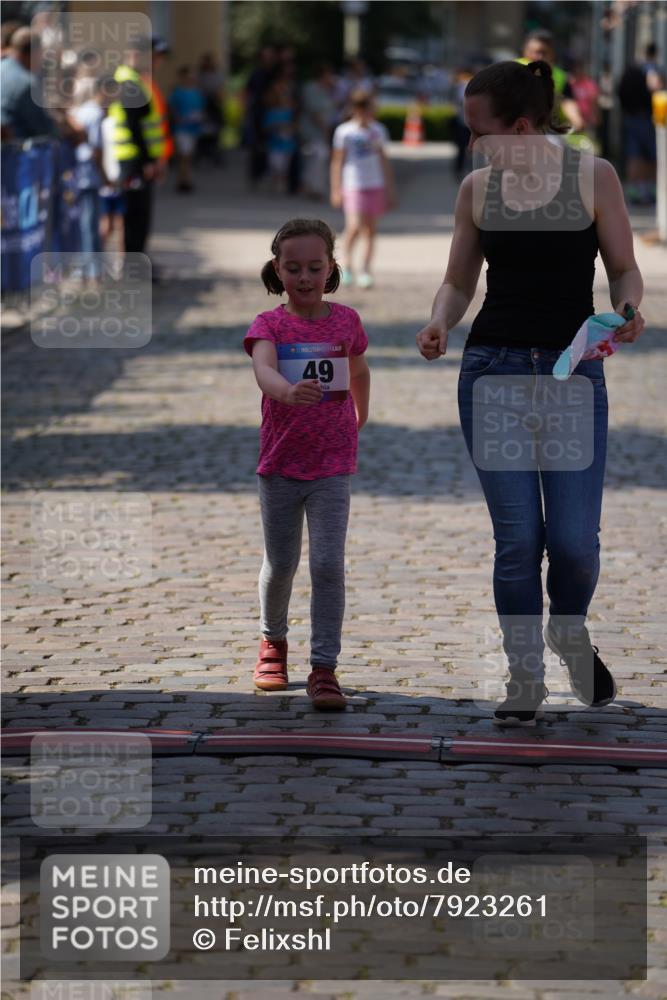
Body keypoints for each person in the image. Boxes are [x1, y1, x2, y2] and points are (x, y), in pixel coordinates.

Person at [416, 59, 646, 726]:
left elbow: (623, 268)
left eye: (477, 131)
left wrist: (627, 309)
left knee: (573, 543)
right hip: (492, 371)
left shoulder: (592, 178)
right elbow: (457, 281)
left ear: (520, 128)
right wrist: (439, 319)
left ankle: (565, 630)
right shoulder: (477, 189)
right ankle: (523, 678)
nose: (470, 144)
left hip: (572, 371)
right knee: (518, 542)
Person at [243, 218, 371, 711]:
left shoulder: (346, 322)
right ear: (277, 269)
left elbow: (359, 367)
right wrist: (287, 393)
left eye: (314, 267)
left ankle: (325, 667)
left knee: (326, 564)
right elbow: (263, 370)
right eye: (293, 268)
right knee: (281, 564)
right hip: (280, 464)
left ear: (331, 268)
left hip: (333, 464)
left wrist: (362, 410)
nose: (304, 277)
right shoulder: (269, 325)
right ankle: (272, 642)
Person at [330, 89, 397, 289]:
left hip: (374, 184)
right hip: (353, 184)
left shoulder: (378, 130)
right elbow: (337, 161)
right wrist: (335, 188)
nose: (371, 112)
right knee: (354, 227)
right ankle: (346, 266)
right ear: (357, 109)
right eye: (368, 109)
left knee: (370, 230)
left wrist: (390, 188)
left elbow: (384, 159)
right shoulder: (344, 131)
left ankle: (366, 270)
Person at [617, 45, 662, 206]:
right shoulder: (651, 68)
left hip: (630, 116)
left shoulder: (630, 70)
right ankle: (649, 190)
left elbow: (620, 91)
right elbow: (655, 86)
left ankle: (635, 189)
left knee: (634, 154)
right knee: (651, 155)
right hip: (648, 117)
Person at [518, 30, 584, 133]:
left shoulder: (560, 76)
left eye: (543, 53)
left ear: (552, 54)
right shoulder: (513, 69)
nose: (538, 57)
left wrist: (576, 121)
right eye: (534, 52)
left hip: (547, 130)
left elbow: (567, 101)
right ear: (525, 51)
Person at [300, 63, 337, 199]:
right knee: (317, 157)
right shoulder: (311, 89)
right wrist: (325, 129)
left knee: (321, 158)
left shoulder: (327, 91)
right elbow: (314, 112)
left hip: (322, 132)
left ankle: (315, 187)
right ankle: (313, 187)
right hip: (312, 131)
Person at [168, 65, 204, 192]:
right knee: (184, 155)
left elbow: (200, 109)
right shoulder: (177, 92)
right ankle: (184, 181)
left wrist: (199, 117)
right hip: (181, 128)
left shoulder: (196, 92)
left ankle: (184, 179)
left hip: (193, 128)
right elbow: (171, 109)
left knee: (188, 156)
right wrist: (177, 118)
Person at [197, 51, 225, 166]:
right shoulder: (200, 75)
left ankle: (215, 155)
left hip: (214, 105)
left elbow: (220, 90)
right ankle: (203, 154)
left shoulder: (217, 75)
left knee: (215, 132)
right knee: (202, 132)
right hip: (203, 104)